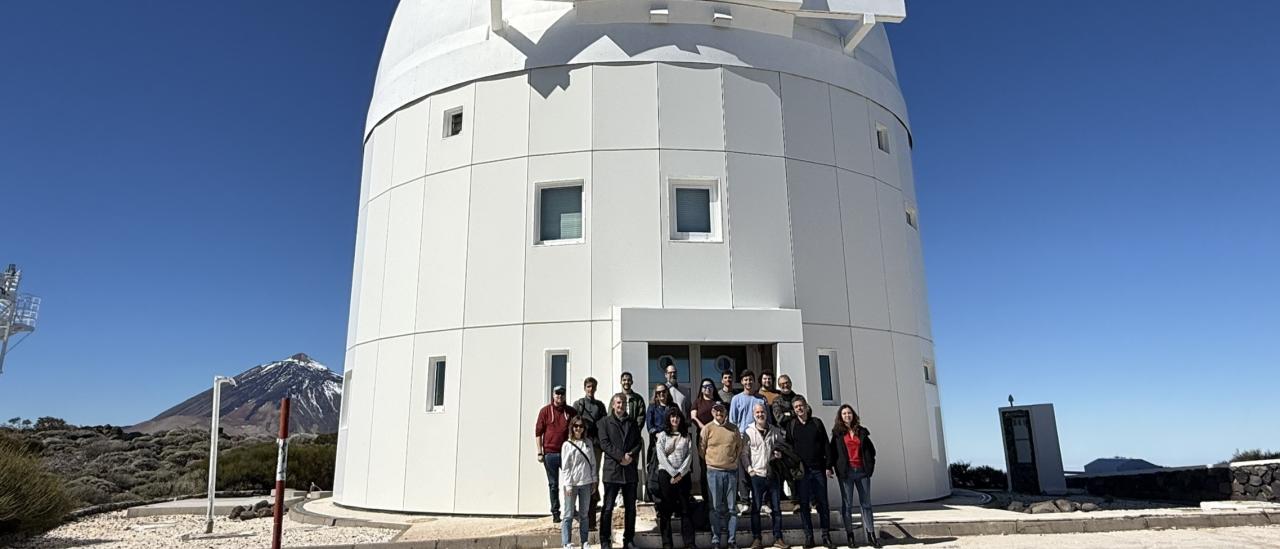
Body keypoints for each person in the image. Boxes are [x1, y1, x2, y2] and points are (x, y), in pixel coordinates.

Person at [786, 396, 832, 548]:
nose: (799, 408)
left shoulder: (816, 423)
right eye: (796, 407)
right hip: (802, 472)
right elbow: (789, 448)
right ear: (794, 410)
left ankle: (826, 536)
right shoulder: (792, 425)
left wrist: (828, 466)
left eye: (801, 405)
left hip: (818, 469)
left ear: (806, 406)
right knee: (804, 505)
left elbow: (826, 444)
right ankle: (809, 537)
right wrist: (792, 467)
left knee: (823, 503)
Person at [830, 405, 879, 548]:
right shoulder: (837, 434)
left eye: (849, 413)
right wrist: (833, 468)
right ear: (840, 416)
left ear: (853, 415)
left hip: (862, 472)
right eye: (844, 413)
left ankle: (871, 535)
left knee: (866, 504)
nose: (847, 415)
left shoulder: (861, 431)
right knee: (847, 505)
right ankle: (850, 536)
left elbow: (871, 451)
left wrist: (870, 465)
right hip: (846, 473)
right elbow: (833, 453)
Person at [599, 393, 643, 549]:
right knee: (608, 508)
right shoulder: (604, 422)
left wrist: (631, 455)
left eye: (623, 403)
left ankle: (628, 540)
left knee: (631, 509)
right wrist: (620, 457)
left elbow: (638, 442)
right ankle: (605, 540)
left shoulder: (632, 422)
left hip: (629, 471)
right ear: (613, 405)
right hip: (612, 471)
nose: (621, 405)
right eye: (618, 403)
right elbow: (604, 444)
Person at [699, 402, 742, 549]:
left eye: (721, 411)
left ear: (725, 412)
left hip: (731, 472)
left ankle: (731, 540)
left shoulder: (734, 429)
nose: (719, 414)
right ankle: (715, 539)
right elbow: (701, 449)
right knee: (715, 507)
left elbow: (739, 447)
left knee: (731, 508)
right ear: (712, 412)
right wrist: (712, 462)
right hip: (713, 472)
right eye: (716, 411)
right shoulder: (707, 429)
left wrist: (733, 461)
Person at [744, 403, 785, 549]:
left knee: (776, 508)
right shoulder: (748, 432)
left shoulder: (774, 431)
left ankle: (778, 538)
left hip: (772, 474)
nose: (760, 414)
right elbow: (744, 453)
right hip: (756, 475)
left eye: (762, 412)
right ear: (753, 414)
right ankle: (757, 539)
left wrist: (779, 454)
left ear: (766, 414)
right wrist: (750, 470)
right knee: (756, 508)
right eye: (757, 412)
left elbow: (782, 447)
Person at [654, 408, 695, 549]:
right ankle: (667, 543)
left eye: (677, 417)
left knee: (685, 509)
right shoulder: (663, 435)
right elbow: (661, 456)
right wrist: (673, 473)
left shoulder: (686, 436)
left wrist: (680, 473)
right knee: (666, 510)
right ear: (668, 419)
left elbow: (689, 455)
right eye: (672, 417)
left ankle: (689, 542)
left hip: (683, 475)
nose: (675, 419)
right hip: (666, 474)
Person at [536, 386, 578, 522]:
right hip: (550, 454)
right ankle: (555, 512)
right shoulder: (545, 411)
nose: (559, 396)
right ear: (553, 395)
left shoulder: (571, 412)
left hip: (566, 454)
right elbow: (538, 433)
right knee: (553, 485)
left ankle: (571, 509)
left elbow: (577, 431)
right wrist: (540, 452)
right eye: (557, 393)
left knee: (570, 482)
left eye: (562, 393)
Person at [574, 377, 608, 522]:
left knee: (594, 475)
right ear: (584, 388)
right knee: (581, 473)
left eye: (593, 387)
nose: (591, 389)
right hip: (582, 444)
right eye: (588, 386)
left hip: (596, 445)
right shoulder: (578, 404)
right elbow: (574, 424)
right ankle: (582, 506)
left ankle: (592, 508)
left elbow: (604, 425)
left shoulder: (600, 406)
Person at [560, 417, 598, 549]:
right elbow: (566, 467)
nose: (578, 428)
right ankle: (566, 542)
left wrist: (594, 480)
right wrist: (568, 484)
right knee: (568, 514)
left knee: (584, 514)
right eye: (576, 426)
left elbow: (593, 462)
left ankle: (584, 541)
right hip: (572, 484)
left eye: (581, 426)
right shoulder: (567, 445)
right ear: (572, 427)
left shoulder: (588, 443)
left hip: (586, 482)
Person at [690, 378, 721, 500]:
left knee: (716, 465)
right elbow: (693, 417)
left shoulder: (717, 402)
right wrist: (703, 427)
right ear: (701, 389)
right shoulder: (697, 402)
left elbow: (722, 417)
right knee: (704, 466)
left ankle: (717, 495)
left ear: (713, 388)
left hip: (717, 437)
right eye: (704, 386)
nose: (707, 388)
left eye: (710, 386)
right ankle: (706, 496)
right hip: (702, 437)